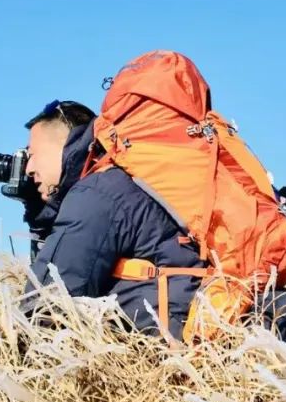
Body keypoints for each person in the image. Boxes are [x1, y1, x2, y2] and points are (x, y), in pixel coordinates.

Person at [22, 100, 207, 341]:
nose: (27, 168)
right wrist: (41, 216)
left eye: (32, 154)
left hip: (168, 344)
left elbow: (45, 308)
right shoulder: (125, 180)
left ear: (64, 144)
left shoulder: (97, 192)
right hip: (190, 323)